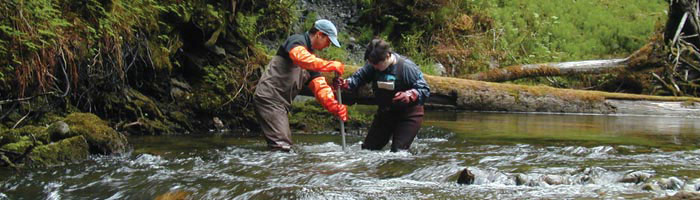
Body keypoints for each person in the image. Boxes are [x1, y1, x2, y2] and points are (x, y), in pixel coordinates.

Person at [254, 19, 348, 151]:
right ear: (319, 34)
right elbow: (301, 58)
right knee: (282, 147)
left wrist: (334, 106)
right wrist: (329, 65)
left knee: (284, 146)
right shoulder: (296, 41)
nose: (328, 46)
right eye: (328, 41)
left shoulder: (312, 59)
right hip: (269, 98)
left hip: (279, 103)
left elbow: (320, 86)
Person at [335, 39, 430, 152]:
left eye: (377, 64)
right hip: (385, 114)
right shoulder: (372, 66)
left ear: (388, 56)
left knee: (397, 152)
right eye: (372, 64)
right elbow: (358, 78)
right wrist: (346, 83)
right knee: (368, 150)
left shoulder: (407, 67)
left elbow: (424, 89)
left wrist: (410, 94)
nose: (374, 67)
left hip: (409, 116)